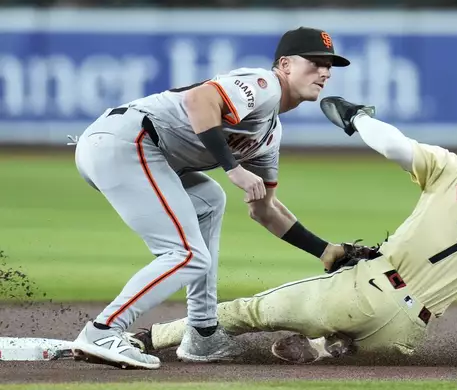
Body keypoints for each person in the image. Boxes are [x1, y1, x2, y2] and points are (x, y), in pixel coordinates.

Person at [126, 97, 457, 365]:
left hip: (367, 288)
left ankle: (148, 338)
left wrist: (357, 118)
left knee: (248, 312)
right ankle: (322, 348)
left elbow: (395, 146)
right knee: (350, 343)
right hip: (406, 330)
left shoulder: (454, 170)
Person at [68, 27, 352, 370]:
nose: (324, 71)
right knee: (187, 254)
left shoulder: (269, 135)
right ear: (286, 64)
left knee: (209, 199)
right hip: (127, 140)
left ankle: (202, 334)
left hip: (134, 150)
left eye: (329, 65)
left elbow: (265, 210)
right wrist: (233, 168)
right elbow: (200, 99)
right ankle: (103, 330)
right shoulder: (265, 84)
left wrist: (325, 251)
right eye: (315, 62)